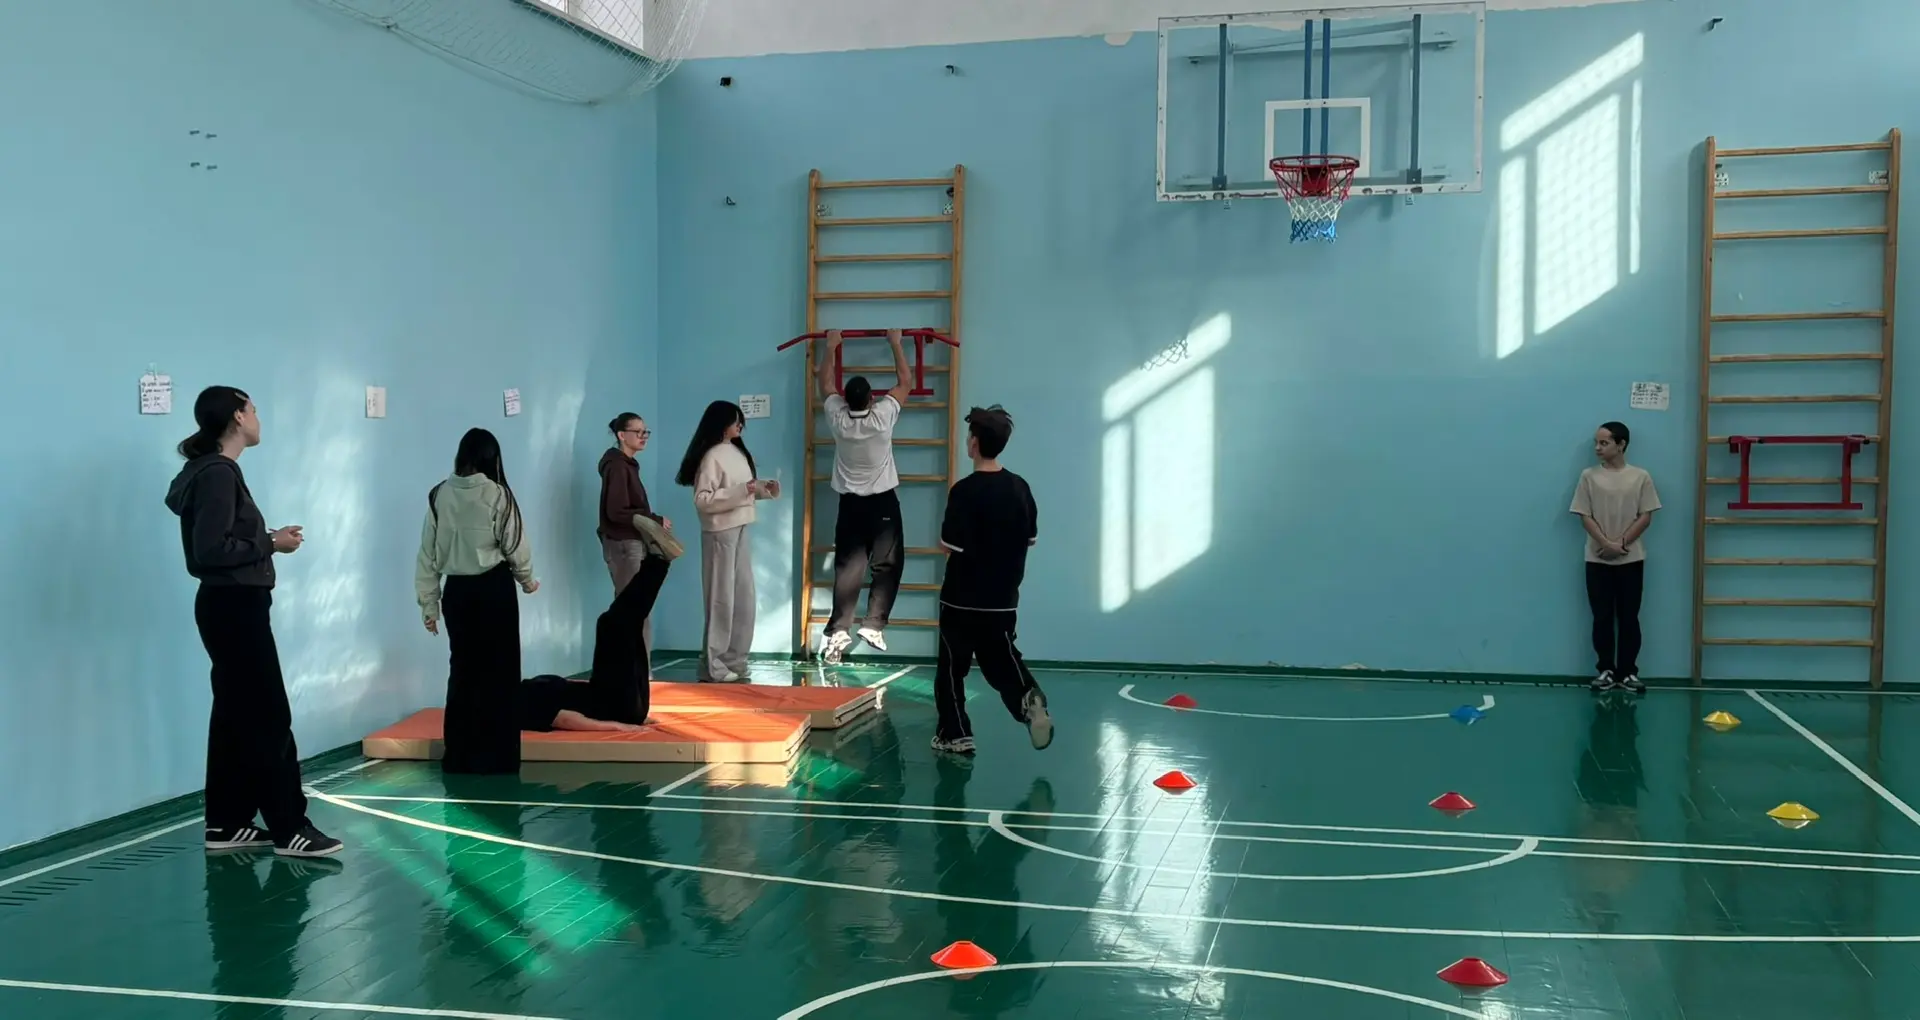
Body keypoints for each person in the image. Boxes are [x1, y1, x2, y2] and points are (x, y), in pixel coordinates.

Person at [164, 385, 344, 858]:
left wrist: (267, 538)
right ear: (238, 418)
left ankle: (226, 823)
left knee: (233, 716)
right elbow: (210, 550)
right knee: (268, 716)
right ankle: (291, 827)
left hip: (226, 605)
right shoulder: (219, 474)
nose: (259, 418)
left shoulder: (209, 472)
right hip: (235, 607)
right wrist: (271, 543)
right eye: (254, 410)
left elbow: (220, 542)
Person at [416, 428, 539, 774]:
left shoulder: (439, 494)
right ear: (492, 458)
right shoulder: (498, 494)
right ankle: (497, 757)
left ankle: (459, 755)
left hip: (456, 593)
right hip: (493, 589)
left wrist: (429, 605)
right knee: (500, 673)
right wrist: (527, 580)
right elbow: (514, 543)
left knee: (463, 671)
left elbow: (427, 554)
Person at [930, 405, 1051, 756]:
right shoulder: (1020, 488)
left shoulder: (963, 491)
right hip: (1003, 599)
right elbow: (1030, 539)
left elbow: (948, 544)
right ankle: (1028, 698)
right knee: (1002, 659)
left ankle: (955, 734)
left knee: (952, 668)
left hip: (960, 599)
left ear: (974, 443)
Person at [816, 328, 913, 664]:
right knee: (888, 564)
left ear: (846, 400)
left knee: (848, 568)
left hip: (850, 505)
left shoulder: (837, 418)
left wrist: (831, 346)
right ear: (872, 398)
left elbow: (824, 384)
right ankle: (873, 625)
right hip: (882, 503)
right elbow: (905, 382)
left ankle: (838, 631)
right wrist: (896, 343)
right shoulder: (882, 417)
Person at [676, 400, 781, 683]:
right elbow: (703, 500)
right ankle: (715, 665)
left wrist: (762, 489)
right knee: (720, 598)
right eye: (736, 420)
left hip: (741, 527)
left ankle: (736, 660)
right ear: (722, 424)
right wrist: (744, 490)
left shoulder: (736, 452)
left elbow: (740, 491)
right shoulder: (711, 456)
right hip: (720, 532)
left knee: (744, 598)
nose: (740, 425)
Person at [1570, 420, 1661, 694]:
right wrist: (1605, 544)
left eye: (1604, 442)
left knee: (1629, 617)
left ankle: (1628, 672)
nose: (1598, 448)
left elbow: (1645, 516)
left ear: (1621, 445)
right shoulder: (1588, 476)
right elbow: (1584, 515)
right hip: (1596, 559)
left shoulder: (1640, 476)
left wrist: (1620, 544)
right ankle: (1606, 670)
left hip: (1631, 559)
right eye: (1596, 443)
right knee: (1602, 617)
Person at [598, 413, 669, 680]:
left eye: (645, 431)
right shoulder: (618, 466)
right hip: (624, 544)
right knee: (632, 610)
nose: (643, 436)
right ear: (621, 435)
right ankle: (634, 672)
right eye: (637, 431)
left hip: (630, 543)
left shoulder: (625, 465)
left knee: (635, 609)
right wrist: (654, 520)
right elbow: (616, 512)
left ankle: (636, 669)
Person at [517, 675, 646, 733]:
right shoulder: (523, 706)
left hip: (607, 697)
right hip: (612, 704)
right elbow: (564, 719)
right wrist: (616, 726)